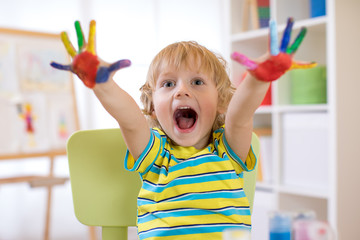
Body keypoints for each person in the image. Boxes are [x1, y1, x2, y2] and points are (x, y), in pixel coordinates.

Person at [51, 17, 315, 240]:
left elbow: (240, 116)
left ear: (221, 101)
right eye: (168, 84)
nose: (182, 91)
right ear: (153, 107)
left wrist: (258, 79)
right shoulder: (156, 154)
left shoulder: (227, 149)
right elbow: (130, 120)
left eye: (197, 82)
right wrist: (102, 84)